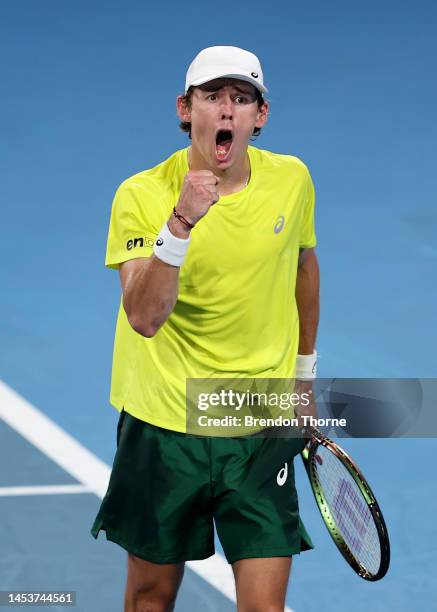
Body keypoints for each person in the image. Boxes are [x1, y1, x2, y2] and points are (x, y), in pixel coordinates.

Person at [91, 45, 320, 612]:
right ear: (185, 109)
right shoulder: (141, 195)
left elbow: (303, 270)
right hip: (165, 426)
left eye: (240, 99)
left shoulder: (291, 181)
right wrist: (180, 224)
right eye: (212, 97)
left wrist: (303, 378)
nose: (226, 110)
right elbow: (144, 316)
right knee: (150, 596)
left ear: (259, 117)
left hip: (256, 420)